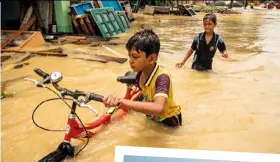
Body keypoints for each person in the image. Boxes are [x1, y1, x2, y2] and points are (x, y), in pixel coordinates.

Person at [102, 29, 182, 127]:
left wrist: (122, 101)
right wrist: (113, 99)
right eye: (129, 56)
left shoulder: (162, 78)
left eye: (135, 57)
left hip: (169, 121)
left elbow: (158, 108)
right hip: (153, 117)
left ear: (151, 58)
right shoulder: (140, 73)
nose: (130, 61)